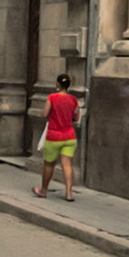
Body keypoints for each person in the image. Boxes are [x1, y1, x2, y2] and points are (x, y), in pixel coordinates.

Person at [33, 72, 78, 202]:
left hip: (54, 136)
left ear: (58, 84)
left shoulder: (52, 98)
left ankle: (43, 190)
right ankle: (69, 193)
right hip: (69, 136)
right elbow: (76, 117)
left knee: (49, 164)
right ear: (69, 85)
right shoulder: (73, 100)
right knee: (67, 164)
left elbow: (45, 113)